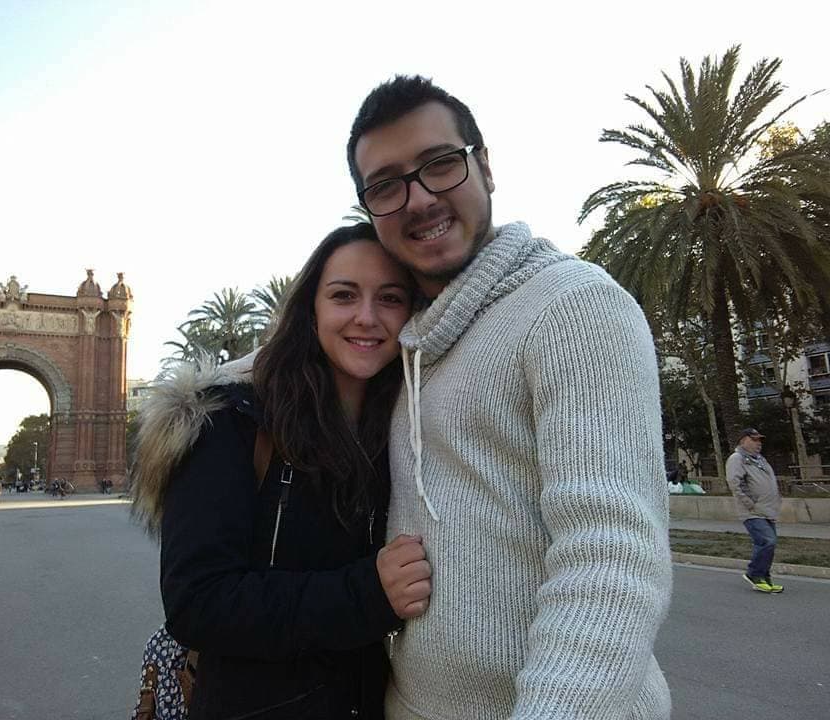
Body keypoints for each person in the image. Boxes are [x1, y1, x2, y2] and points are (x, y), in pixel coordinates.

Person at [346, 76, 672, 719]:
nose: (418, 199)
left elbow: (610, 562)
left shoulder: (573, 306)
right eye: (386, 185)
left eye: (439, 164)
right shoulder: (409, 341)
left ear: (485, 167)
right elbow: (311, 345)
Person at [130, 223, 430, 719]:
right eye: (343, 295)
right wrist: (369, 593)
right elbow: (197, 602)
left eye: (391, 298)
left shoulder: (407, 427)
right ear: (310, 311)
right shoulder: (232, 423)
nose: (367, 317)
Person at [725, 428, 784, 593]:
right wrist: (749, 503)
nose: (758, 443)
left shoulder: (760, 460)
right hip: (752, 511)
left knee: (769, 544)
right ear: (743, 440)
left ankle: (765, 579)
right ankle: (754, 574)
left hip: (767, 510)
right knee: (767, 541)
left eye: (760, 440)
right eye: (754, 440)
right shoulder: (737, 459)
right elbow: (735, 483)